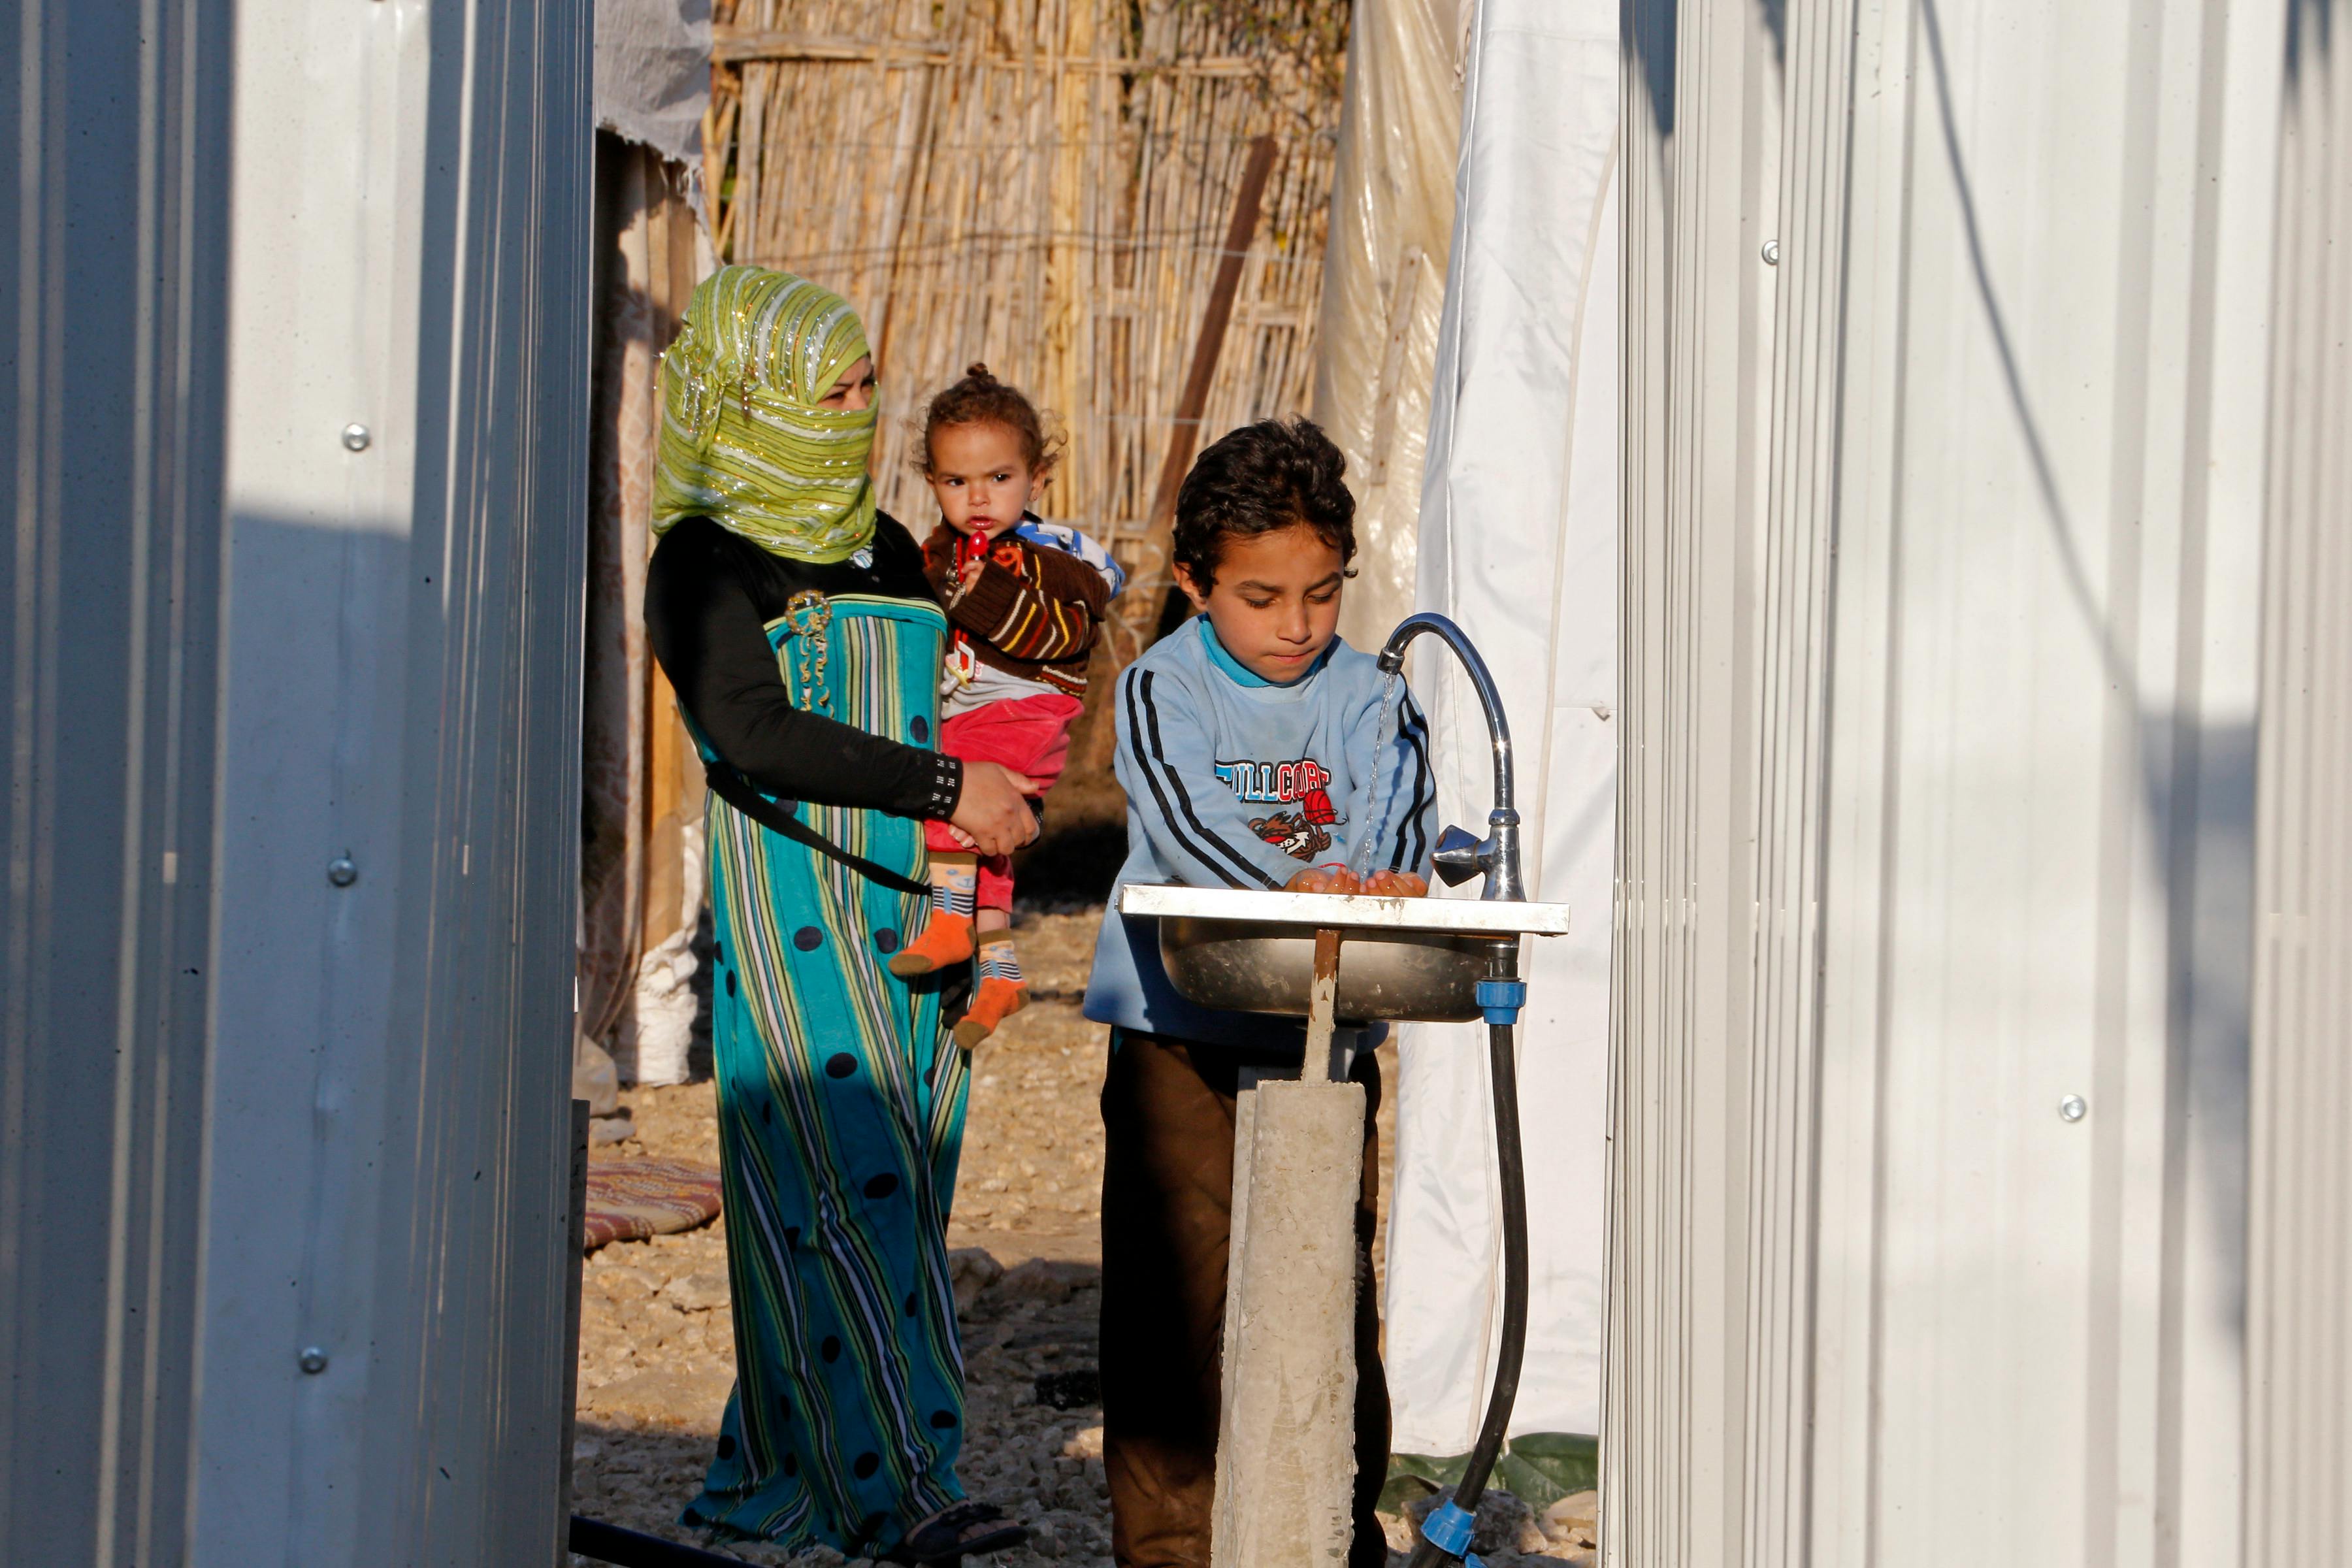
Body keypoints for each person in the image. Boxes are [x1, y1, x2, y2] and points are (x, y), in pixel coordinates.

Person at [642, 265, 1037, 1563]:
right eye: (833, 391)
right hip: (796, 906)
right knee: (837, 1170)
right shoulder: (701, 559)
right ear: (757, 397)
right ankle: (902, 1492)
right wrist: (946, 784)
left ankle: (787, 1465)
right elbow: (751, 732)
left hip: (917, 908)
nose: (859, 413)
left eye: (867, 387)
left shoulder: (874, 542)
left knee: (902, 1183)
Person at [1079, 417, 1435, 1568]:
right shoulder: (1159, 687)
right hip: (1177, 1033)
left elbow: (1402, 822)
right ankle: (1175, 1550)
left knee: (1327, 1292)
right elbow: (1186, 827)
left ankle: (1329, 1535)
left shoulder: (1375, 695)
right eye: (1262, 598)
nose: (1296, 627)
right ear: (1195, 582)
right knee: (1175, 1303)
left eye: (1322, 596)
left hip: (1323, 1042)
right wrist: (1303, 883)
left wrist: (1387, 880)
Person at [885, 365, 1125, 1046]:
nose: (979, 497)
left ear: (1037, 479)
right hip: (979, 709)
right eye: (957, 482)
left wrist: (977, 595)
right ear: (932, 483)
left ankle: (952, 925)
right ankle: (1000, 974)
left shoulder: (1050, 555)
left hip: (1027, 709)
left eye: (998, 478)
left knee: (951, 795)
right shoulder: (941, 554)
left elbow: (1076, 618)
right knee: (990, 846)